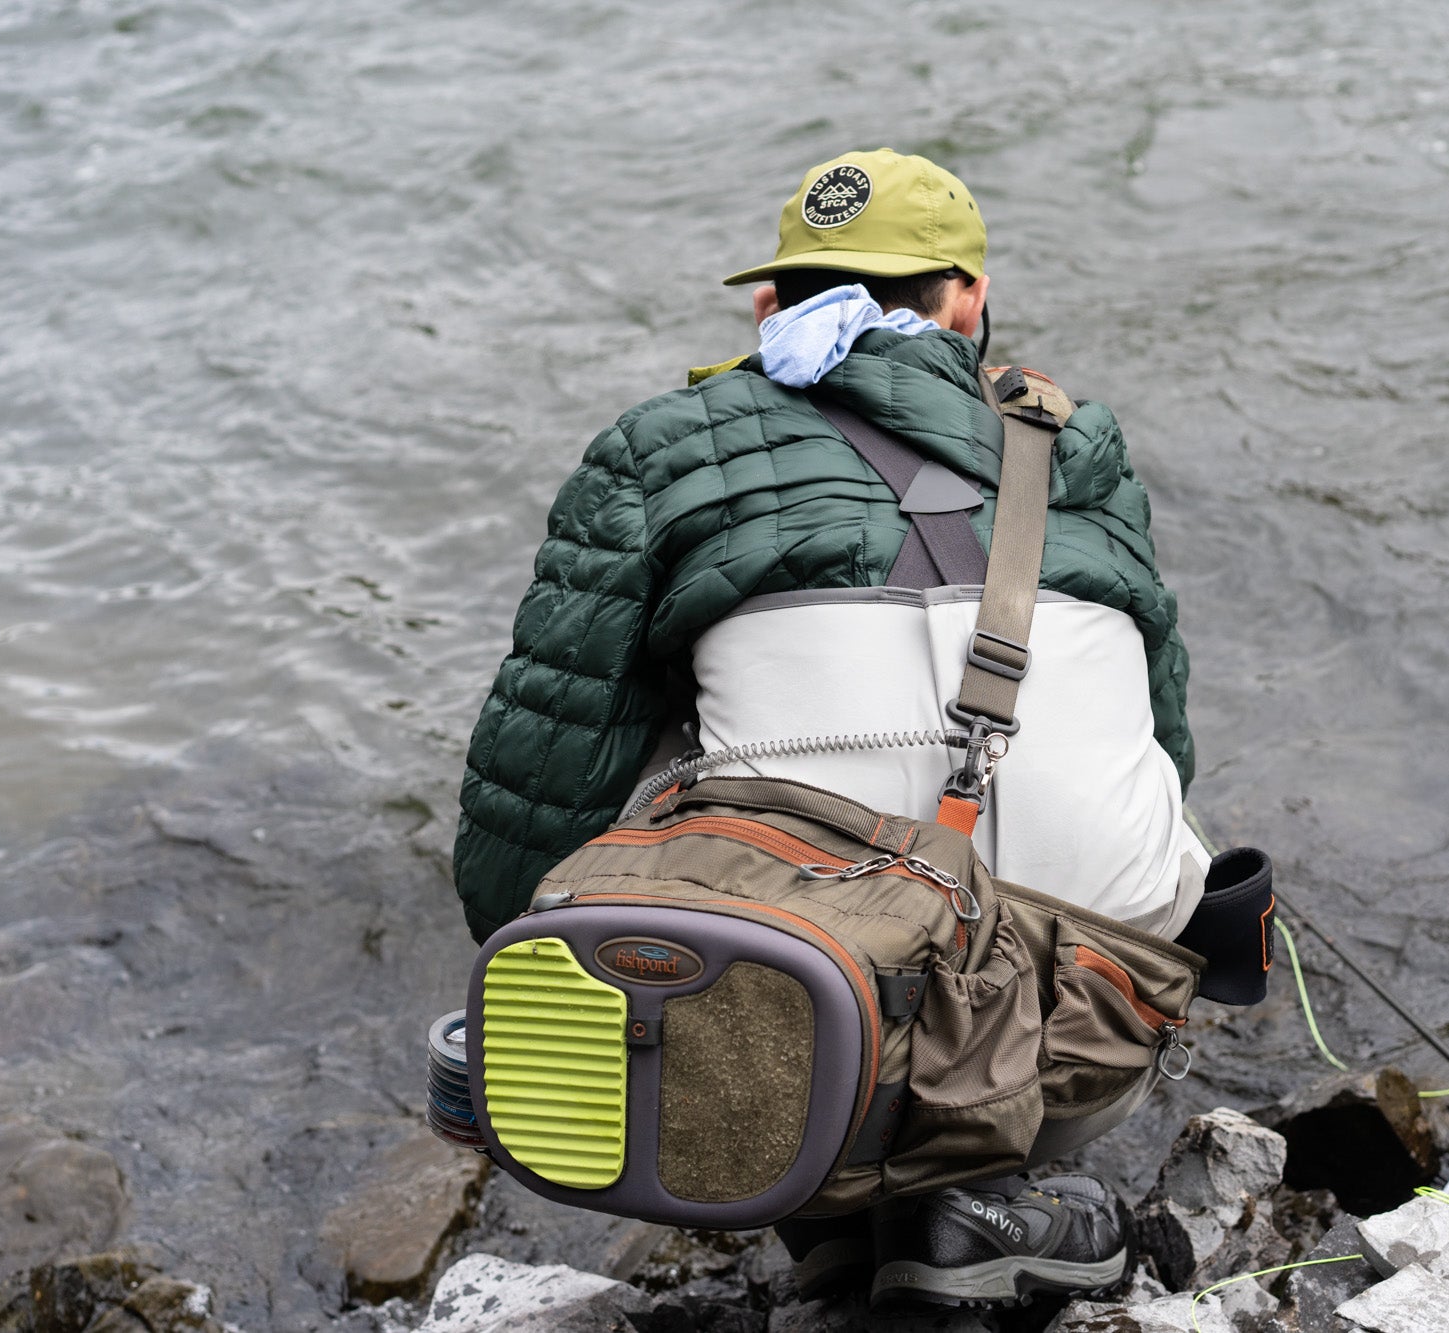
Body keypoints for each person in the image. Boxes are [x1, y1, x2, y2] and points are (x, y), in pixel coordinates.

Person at [453, 147, 1208, 1307]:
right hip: (1088, 1029)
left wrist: (523, 1005)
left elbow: (532, 791)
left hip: (798, 1040)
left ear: (769, 307)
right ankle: (990, 1194)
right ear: (966, 303)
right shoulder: (1081, 451)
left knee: (639, 744)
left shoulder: (663, 446)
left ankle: (846, 1206)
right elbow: (1169, 745)